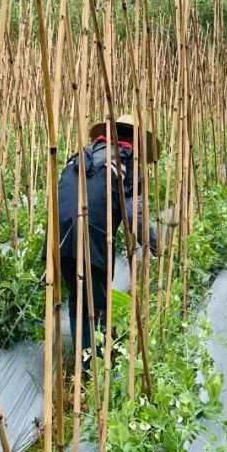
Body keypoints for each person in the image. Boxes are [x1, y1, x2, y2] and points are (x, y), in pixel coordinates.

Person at [51, 113, 161, 358]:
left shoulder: (81, 155)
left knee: (77, 292)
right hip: (93, 237)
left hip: (58, 235)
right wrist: (154, 243)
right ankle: (95, 361)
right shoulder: (128, 164)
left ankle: (82, 353)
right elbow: (135, 215)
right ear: (137, 142)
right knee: (97, 302)